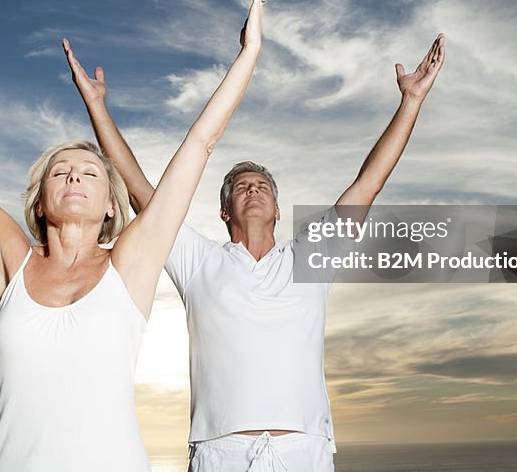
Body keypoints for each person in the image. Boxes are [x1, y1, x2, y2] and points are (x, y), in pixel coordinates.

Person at [0, 0, 271, 471]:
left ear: (112, 203)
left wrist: (250, 53)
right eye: (60, 173)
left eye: (89, 173)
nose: (75, 178)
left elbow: (200, 143)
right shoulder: (8, 260)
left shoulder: (132, 263)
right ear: (40, 201)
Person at [68, 25, 445, 471]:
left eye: (262, 185)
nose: (253, 190)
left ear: (279, 211)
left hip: (303, 450)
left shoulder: (310, 258)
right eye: (242, 187)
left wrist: (411, 103)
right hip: (219, 452)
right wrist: (96, 104)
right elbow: (139, 191)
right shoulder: (198, 260)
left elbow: (368, 184)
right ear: (225, 211)